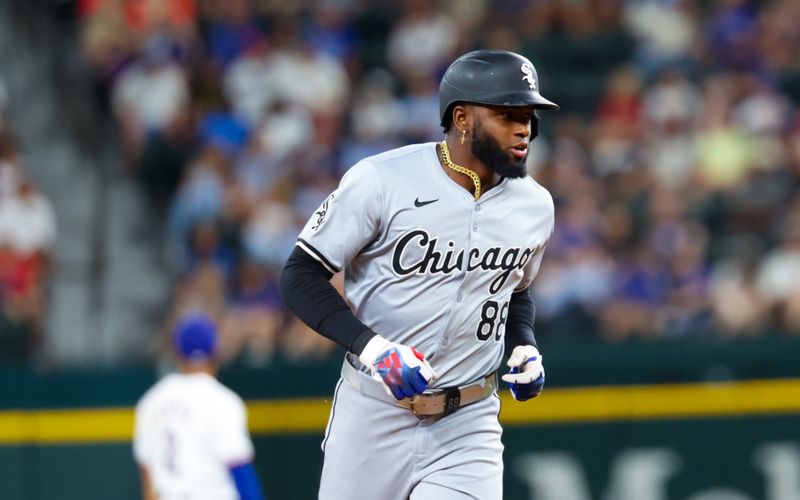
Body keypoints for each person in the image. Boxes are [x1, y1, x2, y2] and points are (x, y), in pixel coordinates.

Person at [280, 49, 557, 500]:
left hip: (468, 422)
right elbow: (301, 275)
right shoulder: (382, 180)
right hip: (373, 415)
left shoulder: (535, 204)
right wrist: (374, 349)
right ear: (462, 118)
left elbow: (515, 290)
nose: (524, 127)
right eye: (508, 114)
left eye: (528, 114)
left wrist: (524, 343)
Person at [133, 313, 265, 500]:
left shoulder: (151, 401)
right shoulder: (223, 401)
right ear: (215, 351)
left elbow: (148, 479)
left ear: (177, 352)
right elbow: (241, 472)